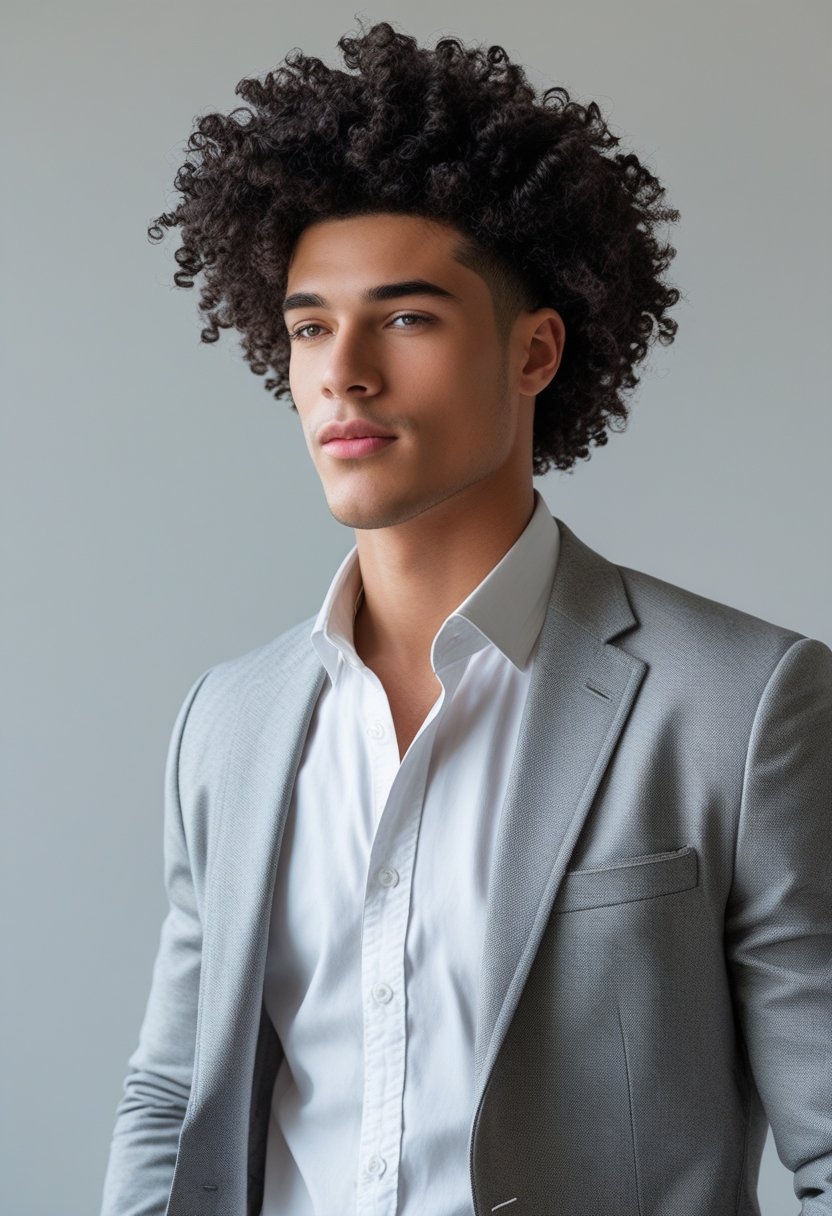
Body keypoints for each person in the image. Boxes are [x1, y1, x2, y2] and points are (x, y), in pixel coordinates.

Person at [100, 19, 832, 1216]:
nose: (343, 371)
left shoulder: (742, 704)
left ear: (535, 349)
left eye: (406, 317)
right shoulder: (226, 722)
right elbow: (172, 1096)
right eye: (307, 326)